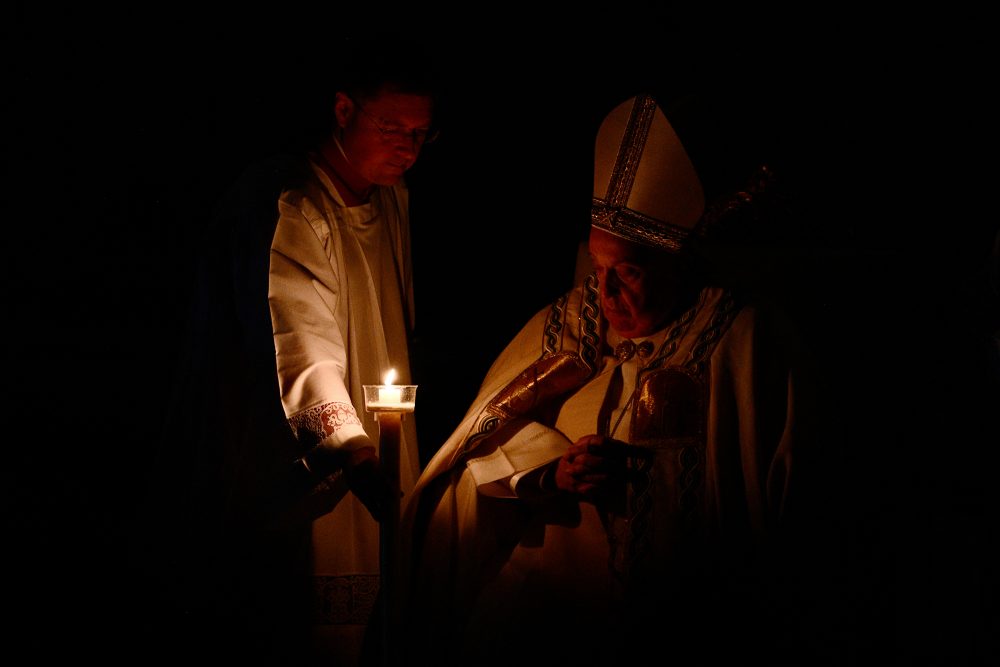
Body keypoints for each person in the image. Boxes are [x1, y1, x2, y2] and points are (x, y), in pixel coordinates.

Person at [398, 92, 833, 665]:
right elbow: (476, 459)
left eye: (626, 272)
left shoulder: (742, 341)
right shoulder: (562, 327)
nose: (603, 296)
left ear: (676, 265)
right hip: (543, 625)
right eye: (597, 269)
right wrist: (549, 473)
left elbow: (793, 504)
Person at [130, 36, 442, 667]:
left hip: (369, 452)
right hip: (289, 470)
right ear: (343, 109)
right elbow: (300, 340)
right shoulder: (291, 201)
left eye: (420, 134)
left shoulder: (392, 199)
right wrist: (353, 452)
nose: (406, 149)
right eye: (391, 128)